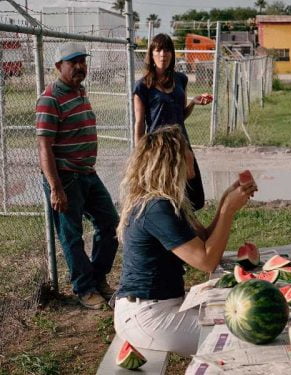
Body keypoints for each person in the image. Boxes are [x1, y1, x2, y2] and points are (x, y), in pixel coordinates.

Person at [114, 126, 255, 355]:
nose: (192, 154)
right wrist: (228, 210)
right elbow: (207, 261)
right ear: (173, 160)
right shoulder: (156, 208)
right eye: (187, 150)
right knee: (244, 332)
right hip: (148, 316)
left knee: (247, 311)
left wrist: (224, 202)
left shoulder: (166, 201)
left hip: (163, 305)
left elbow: (204, 241)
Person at [36, 42, 119, 310]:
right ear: (59, 67)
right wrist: (55, 187)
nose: (80, 66)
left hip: (87, 174)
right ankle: (85, 289)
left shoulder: (79, 90)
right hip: (65, 178)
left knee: (110, 224)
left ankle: (97, 277)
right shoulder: (50, 98)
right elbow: (44, 147)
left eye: (83, 61)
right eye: (74, 62)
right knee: (71, 237)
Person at [133, 33, 213, 211]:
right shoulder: (142, 86)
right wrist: (140, 155)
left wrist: (193, 102)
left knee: (194, 198)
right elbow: (139, 124)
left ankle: (188, 232)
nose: (163, 54)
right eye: (158, 50)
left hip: (182, 144)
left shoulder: (180, 80)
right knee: (167, 198)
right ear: (151, 54)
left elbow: (180, 116)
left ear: (172, 54)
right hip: (159, 149)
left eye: (167, 50)